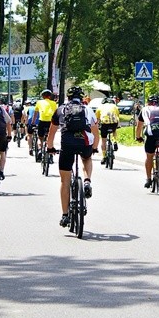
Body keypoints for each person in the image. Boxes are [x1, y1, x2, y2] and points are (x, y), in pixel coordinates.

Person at [46, 86, 99, 227]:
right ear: (81, 97)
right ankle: (87, 181)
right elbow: (95, 131)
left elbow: (51, 133)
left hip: (67, 145)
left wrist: (50, 147)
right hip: (84, 142)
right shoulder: (87, 110)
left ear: (68, 97)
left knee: (65, 181)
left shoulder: (60, 110)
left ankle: (65, 215)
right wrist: (94, 147)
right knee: (87, 158)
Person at [135, 95, 159, 188]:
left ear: (148, 102)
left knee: (149, 157)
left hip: (150, 134)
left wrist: (138, 137)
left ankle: (149, 179)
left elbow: (139, 126)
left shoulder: (144, 109)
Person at [31, 89, 57, 162]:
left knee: (40, 138)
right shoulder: (54, 103)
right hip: (51, 122)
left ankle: (39, 150)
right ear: (50, 96)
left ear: (42, 96)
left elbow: (35, 113)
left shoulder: (39, 102)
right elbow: (56, 114)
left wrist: (33, 122)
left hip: (42, 121)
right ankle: (51, 155)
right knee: (50, 138)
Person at [95, 97, 121, 164]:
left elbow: (97, 119)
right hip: (114, 122)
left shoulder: (100, 107)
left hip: (105, 123)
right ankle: (115, 141)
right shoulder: (115, 106)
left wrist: (97, 126)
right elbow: (117, 116)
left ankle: (104, 156)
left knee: (103, 140)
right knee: (114, 130)